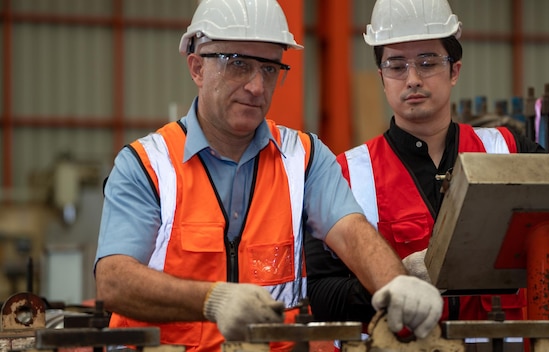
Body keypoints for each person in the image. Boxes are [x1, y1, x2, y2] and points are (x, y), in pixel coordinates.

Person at [93, 0, 444, 351]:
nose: (257, 87)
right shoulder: (147, 164)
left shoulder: (303, 158)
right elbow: (114, 281)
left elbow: (351, 231)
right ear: (197, 68)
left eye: (270, 69)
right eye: (239, 65)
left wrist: (394, 283)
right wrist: (212, 300)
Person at [305, 0, 546, 344]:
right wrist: (392, 283)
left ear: (455, 70)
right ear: (382, 77)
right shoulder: (343, 174)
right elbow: (318, 293)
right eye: (396, 65)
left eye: (428, 62)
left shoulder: (509, 151)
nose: (413, 79)